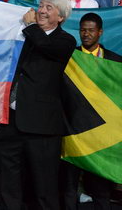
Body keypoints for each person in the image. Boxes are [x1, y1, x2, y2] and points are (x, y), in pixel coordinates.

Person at [0, 0, 76, 210]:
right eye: (41, 6)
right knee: (8, 184)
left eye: (49, 8)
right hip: (9, 121)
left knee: (44, 187)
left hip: (42, 126)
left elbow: (45, 47)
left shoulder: (65, 41)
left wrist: (29, 27)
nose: (41, 10)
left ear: (61, 17)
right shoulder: (22, 36)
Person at [61, 12, 122, 210]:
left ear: (100, 32)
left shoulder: (115, 63)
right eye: (83, 30)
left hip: (100, 137)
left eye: (91, 30)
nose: (86, 34)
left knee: (101, 190)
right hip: (73, 132)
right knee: (68, 187)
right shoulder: (69, 59)